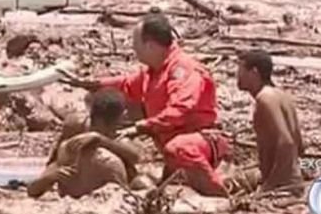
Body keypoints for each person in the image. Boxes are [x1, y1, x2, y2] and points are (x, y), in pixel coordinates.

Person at [60, 14, 230, 197]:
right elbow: (126, 85)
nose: (134, 49)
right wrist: (94, 84)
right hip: (170, 146)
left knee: (179, 148)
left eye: (136, 44)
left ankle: (221, 195)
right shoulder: (153, 71)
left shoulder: (182, 69)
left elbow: (180, 110)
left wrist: (140, 127)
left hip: (201, 142)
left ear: (150, 45)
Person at [27, 89, 153, 199]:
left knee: (143, 184)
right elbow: (52, 164)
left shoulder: (117, 138)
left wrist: (101, 139)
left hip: (110, 186)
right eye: (97, 125)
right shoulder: (75, 125)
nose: (103, 129)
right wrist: (49, 177)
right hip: (75, 182)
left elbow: (136, 157)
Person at [236, 49, 304, 194]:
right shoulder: (282, 95)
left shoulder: (265, 98)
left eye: (241, 70)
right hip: (291, 182)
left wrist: (269, 186)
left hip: (282, 188)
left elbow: (287, 142)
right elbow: (299, 144)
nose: (238, 76)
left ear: (254, 73)